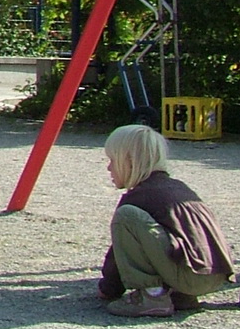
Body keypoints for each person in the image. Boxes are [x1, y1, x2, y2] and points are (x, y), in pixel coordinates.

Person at [98, 124, 235, 317]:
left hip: (191, 275)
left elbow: (118, 253)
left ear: (129, 161)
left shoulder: (139, 196)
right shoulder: (179, 189)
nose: (109, 167)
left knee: (126, 217)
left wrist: (108, 288)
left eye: (112, 160)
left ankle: (152, 296)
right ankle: (180, 295)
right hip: (215, 274)